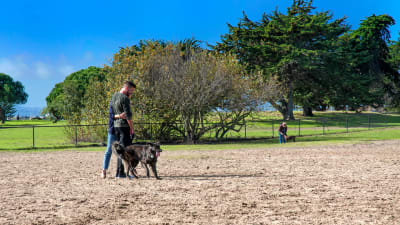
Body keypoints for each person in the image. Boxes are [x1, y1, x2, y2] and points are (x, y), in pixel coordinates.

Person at [111, 81, 136, 178]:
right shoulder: (125, 99)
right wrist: (132, 128)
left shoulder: (114, 96)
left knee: (119, 150)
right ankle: (123, 172)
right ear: (127, 88)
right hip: (124, 127)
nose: (132, 93)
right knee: (126, 151)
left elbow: (112, 114)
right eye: (131, 90)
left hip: (116, 126)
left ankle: (119, 172)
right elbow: (128, 116)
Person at [101, 102, 126, 179]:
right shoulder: (113, 104)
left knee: (122, 151)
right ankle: (104, 170)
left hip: (121, 131)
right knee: (109, 150)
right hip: (113, 131)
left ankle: (121, 171)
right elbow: (111, 116)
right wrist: (120, 116)